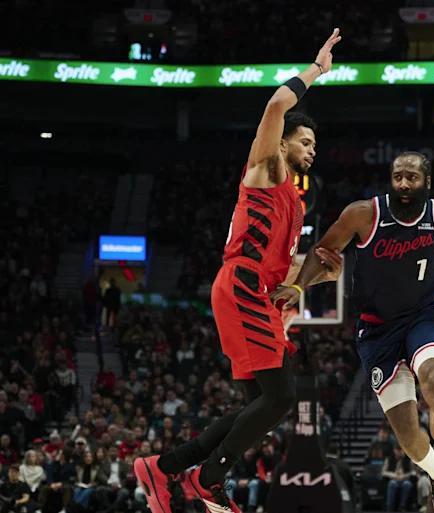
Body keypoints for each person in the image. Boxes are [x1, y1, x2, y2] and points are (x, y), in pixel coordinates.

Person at [133, 29, 344, 513]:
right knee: (282, 397)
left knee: (260, 406)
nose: (312, 149)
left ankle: (163, 469)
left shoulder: (294, 203)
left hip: (255, 290)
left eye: (315, 144)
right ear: (283, 142)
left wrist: (315, 278)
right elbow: (276, 105)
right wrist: (317, 69)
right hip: (242, 285)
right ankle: (207, 479)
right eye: (305, 141)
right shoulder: (267, 167)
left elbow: (286, 270)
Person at [274, 151, 434, 513]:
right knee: (408, 436)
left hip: (426, 317)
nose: (404, 184)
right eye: (398, 177)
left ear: (427, 182)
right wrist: (299, 286)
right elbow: (323, 250)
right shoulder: (363, 215)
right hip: (378, 329)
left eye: (412, 177)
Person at [383, 446, 415, 512]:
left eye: (401, 450)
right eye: (398, 450)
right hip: (393, 479)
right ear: (394, 450)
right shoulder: (389, 459)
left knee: (407, 484)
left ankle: (402, 506)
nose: (399, 452)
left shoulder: (408, 459)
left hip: (405, 479)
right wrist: (393, 475)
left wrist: (404, 476)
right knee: (392, 483)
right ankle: (390, 506)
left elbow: (413, 472)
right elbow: (383, 472)